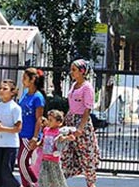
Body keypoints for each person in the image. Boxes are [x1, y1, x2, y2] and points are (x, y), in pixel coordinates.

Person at [62, 59, 100, 187]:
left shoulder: (87, 87)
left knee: (86, 154)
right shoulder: (74, 85)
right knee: (66, 153)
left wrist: (81, 128)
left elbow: (87, 109)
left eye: (74, 70)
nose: (71, 72)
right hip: (71, 120)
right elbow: (71, 105)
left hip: (81, 122)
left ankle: (91, 183)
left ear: (82, 71)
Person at [0, 79, 22, 187]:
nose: (1, 91)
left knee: (6, 172)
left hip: (11, 145)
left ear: (12, 92)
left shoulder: (15, 108)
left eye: (5, 89)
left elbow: (18, 128)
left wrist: (2, 128)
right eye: (0, 88)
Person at [18, 68, 46, 187]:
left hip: (29, 135)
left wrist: (35, 137)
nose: (22, 80)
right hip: (21, 133)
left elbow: (39, 119)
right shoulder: (25, 93)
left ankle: (32, 184)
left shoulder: (38, 97)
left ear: (33, 79)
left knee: (22, 162)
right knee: (22, 162)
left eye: (25, 78)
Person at [38, 110, 76, 187]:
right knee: (43, 179)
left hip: (54, 161)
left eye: (51, 120)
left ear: (58, 122)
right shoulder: (46, 130)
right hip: (45, 160)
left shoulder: (59, 132)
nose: (48, 122)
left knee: (57, 181)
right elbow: (43, 140)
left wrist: (67, 138)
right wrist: (38, 144)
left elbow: (63, 139)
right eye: (48, 119)